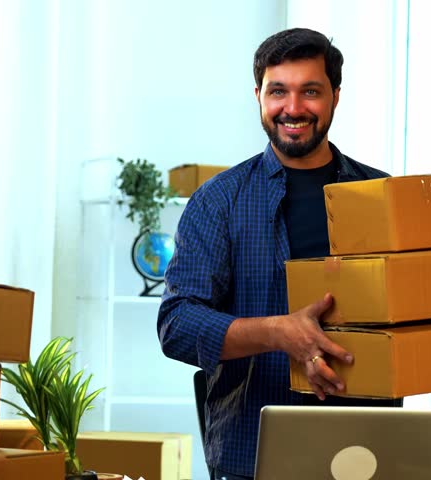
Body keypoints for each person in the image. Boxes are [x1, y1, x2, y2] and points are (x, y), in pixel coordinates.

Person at [157, 28, 397, 480]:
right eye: (278, 91)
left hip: (369, 445)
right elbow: (177, 324)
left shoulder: (382, 197)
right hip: (254, 450)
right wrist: (279, 333)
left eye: (310, 91)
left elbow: (421, 306)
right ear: (258, 96)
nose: (293, 108)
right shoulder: (218, 202)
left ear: (335, 96)